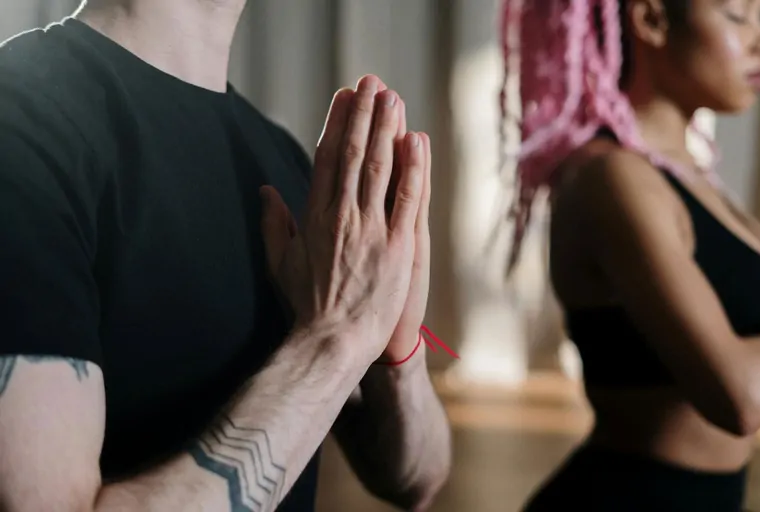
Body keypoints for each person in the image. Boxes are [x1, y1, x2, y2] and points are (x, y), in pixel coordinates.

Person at [0, 0, 453, 511]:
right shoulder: (20, 127)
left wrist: (396, 350)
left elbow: (416, 476)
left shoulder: (281, 161)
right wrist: (336, 339)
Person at [497, 0, 760, 510]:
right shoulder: (615, 179)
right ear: (652, 20)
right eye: (738, 16)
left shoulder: (689, 176)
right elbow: (742, 397)